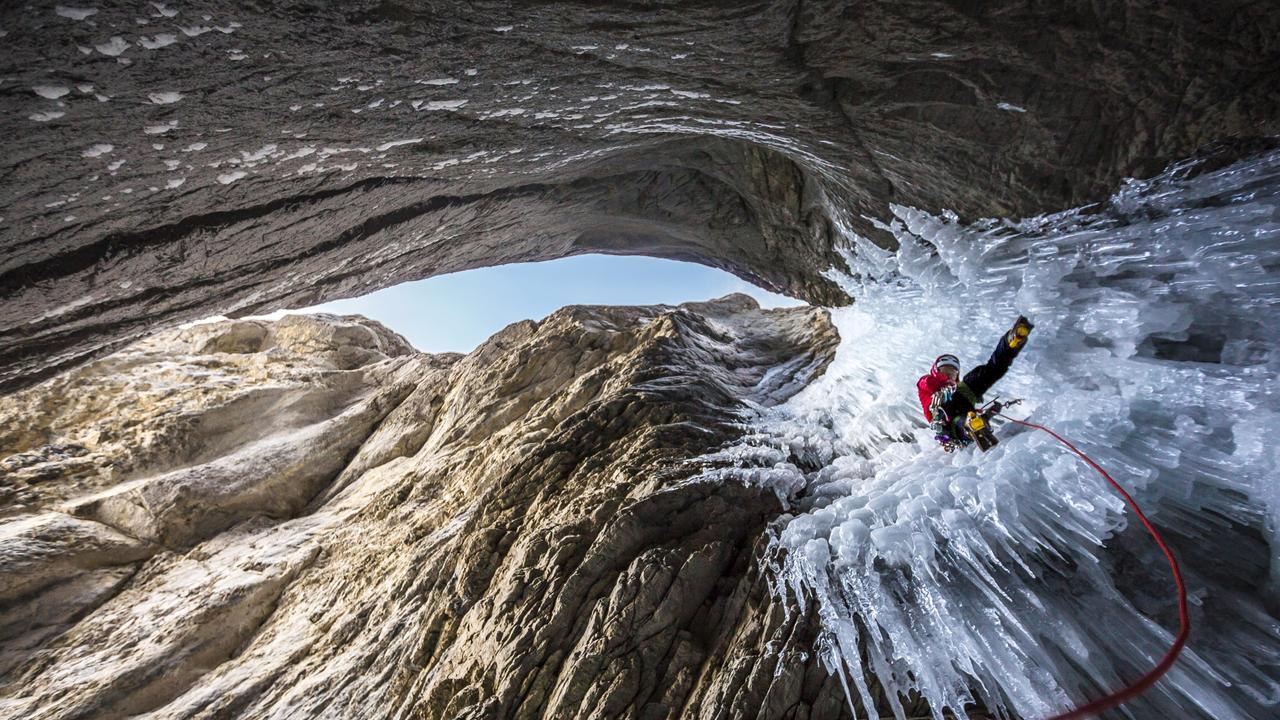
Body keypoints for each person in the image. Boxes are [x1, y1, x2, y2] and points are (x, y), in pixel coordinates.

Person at [917, 316, 1034, 451]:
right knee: (955, 420)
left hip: (962, 397)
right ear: (936, 371)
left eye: (953, 373)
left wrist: (988, 413)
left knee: (991, 370)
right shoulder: (927, 383)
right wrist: (943, 385)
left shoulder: (957, 386)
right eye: (944, 371)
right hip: (947, 420)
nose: (949, 375)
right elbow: (926, 382)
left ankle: (1010, 342)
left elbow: (964, 400)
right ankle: (970, 425)